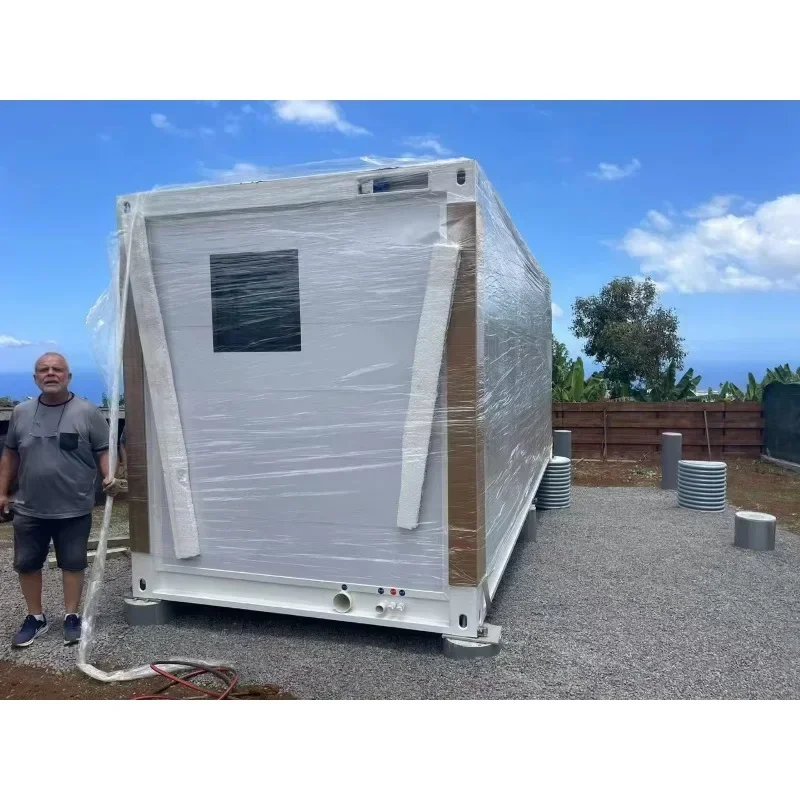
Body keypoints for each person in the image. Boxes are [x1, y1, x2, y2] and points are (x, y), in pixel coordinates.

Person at [0, 353, 121, 647]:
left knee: (73, 563)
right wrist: (2, 491)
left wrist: (110, 477)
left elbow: (104, 449)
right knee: (27, 564)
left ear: (68, 376)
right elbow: (11, 454)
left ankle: (71, 617)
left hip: (74, 506)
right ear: (35, 378)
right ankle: (36, 618)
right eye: (44, 369)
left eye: (57, 369)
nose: (50, 373)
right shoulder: (21, 413)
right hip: (29, 507)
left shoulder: (87, 412)